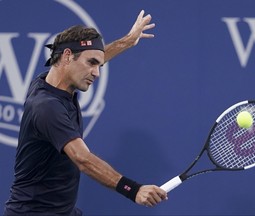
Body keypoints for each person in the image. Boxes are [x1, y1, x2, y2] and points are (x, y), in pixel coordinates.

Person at [4, 10, 167, 216]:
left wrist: (127, 41)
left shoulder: (49, 80)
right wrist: (133, 190)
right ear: (67, 56)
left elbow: (94, 57)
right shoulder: (47, 107)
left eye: (98, 65)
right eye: (92, 64)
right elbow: (82, 158)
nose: (97, 73)